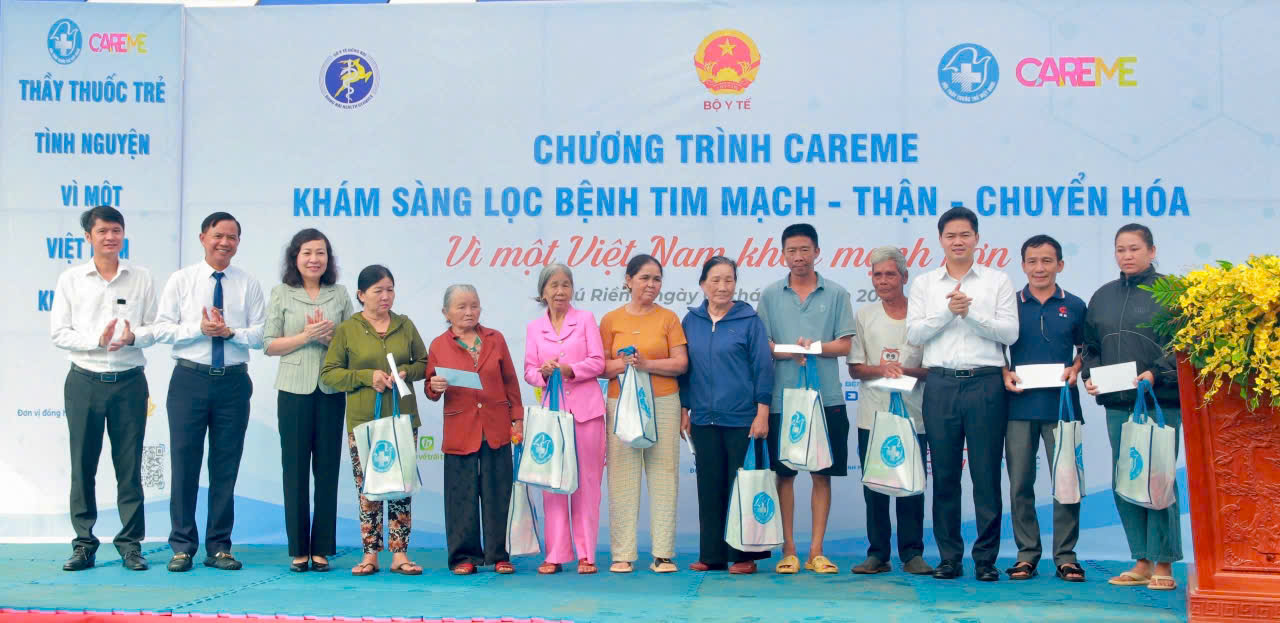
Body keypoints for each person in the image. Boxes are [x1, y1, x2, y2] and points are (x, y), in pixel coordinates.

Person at [906, 206, 1017, 582]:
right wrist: (947, 312)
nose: (958, 241)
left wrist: (970, 314)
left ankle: (986, 560)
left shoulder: (996, 281)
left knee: (986, 475)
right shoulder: (925, 284)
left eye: (965, 234)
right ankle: (949, 558)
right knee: (945, 476)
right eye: (951, 235)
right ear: (940, 240)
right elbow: (914, 334)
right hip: (940, 384)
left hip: (986, 383)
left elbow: (1010, 333)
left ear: (976, 238)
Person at [153, 212, 265, 572]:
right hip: (190, 379)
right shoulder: (182, 280)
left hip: (233, 382)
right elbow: (162, 329)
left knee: (225, 466)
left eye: (232, 237)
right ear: (203, 238)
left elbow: (261, 335)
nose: (225, 243)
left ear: (238, 243)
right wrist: (198, 329)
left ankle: (219, 546)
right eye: (218, 235)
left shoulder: (248, 283)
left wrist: (230, 333)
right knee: (184, 463)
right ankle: (182, 546)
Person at [50, 206, 158, 572]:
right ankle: (84, 544)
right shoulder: (71, 279)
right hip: (84, 380)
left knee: (129, 466)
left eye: (116, 230)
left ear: (123, 234)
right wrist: (96, 341)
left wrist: (134, 336)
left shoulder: (141, 277)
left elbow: (155, 327)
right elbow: (59, 333)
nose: (110, 237)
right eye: (102, 231)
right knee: (83, 465)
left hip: (129, 381)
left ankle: (131, 546)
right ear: (88, 237)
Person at [1083, 223, 1182, 592]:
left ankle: (1164, 563)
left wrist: (1156, 373)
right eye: (1121, 249)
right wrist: (1090, 376)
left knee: (1158, 480)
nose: (1127, 256)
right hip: (1118, 405)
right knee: (1126, 479)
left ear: (1152, 251)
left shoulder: (1172, 293)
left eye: (1135, 249)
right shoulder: (1102, 297)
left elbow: (1184, 345)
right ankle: (1141, 560)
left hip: (1160, 403)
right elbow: (1089, 347)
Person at [756, 223, 855, 575]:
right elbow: (763, 346)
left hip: (826, 399)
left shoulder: (837, 293)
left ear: (817, 252)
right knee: (784, 476)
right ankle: (789, 550)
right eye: (792, 251)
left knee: (821, 476)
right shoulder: (770, 295)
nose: (798, 257)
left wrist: (813, 348)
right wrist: (789, 351)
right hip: (782, 399)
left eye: (804, 250)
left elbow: (845, 344)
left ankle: (816, 551)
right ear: (783, 254)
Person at [321, 265, 427, 577]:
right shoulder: (348, 330)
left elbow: (424, 363)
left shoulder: (405, 325)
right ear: (361, 294)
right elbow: (330, 374)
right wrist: (367, 377)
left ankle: (400, 554)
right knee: (368, 489)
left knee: (401, 487)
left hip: (402, 419)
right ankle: (370, 554)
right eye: (378, 290)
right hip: (364, 421)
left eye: (390, 290)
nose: (385, 296)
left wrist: (406, 372)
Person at [263, 229, 352, 573]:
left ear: (329, 258)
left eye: (321, 253)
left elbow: (351, 346)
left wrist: (330, 339)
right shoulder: (282, 293)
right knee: (295, 470)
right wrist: (305, 336)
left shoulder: (339, 294)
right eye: (307, 253)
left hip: (331, 389)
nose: (314, 259)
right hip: (293, 391)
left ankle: (322, 548)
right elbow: (269, 344)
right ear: (295, 258)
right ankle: (299, 549)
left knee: (327, 471)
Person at [679, 256, 773, 574]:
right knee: (709, 487)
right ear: (702, 284)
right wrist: (684, 408)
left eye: (729, 280)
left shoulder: (749, 321)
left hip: (742, 419)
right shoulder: (691, 321)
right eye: (715, 280)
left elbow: (763, 367)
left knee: (742, 488)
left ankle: (744, 556)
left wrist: (762, 412)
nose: (722, 286)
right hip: (703, 419)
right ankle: (712, 555)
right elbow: (686, 371)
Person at [1001, 235, 1087, 582]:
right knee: (1020, 484)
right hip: (1018, 407)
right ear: (1023, 265)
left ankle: (1066, 556)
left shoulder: (1076, 305)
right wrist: (1003, 372)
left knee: (1066, 482)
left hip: (1062, 407)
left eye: (1047, 261)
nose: (1040, 268)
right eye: (1033, 261)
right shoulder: (1009, 304)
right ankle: (1026, 555)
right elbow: (994, 349)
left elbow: (1088, 349)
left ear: (1060, 265)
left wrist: (1077, 367)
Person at [424, 284, 524, 575]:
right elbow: (430, 388)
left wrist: (517, 417)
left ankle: (500, 554)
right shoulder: (439, 345)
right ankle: (463, 557)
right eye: (461, 307)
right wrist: (434, 386)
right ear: (446, 312)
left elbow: (510, 382)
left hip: (496, 425)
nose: (469, 312)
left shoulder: (495, 339)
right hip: (460, 428)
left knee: (499, 492)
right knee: (460, 495)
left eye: (474, 305)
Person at [599, 255, 689, 574]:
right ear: (628, 280)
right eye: (644, 278)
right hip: (621, 402)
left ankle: (663, 553)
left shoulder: (669, 318)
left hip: (663, 402)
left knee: (664, 474)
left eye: (657, 279)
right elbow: (600, 366)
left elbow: (681, 363)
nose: (651, 285)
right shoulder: (610, 320)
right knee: (622, 476)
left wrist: (647, 364)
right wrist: (624, 364)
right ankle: (622, 553)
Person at [846, 246, 932, 576]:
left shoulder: (921, 317)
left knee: (911, 485)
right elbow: (855, 368)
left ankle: (912, 554)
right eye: (877, 274)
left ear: (904, 277)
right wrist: (881, 369)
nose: (883, 281)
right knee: (875, 489)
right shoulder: (865, 316)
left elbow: (931, 369)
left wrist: (905, 371)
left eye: (890, 274)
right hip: (873, 416)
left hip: (913, 416)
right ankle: (877, 554)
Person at [522, 264, 606, 574]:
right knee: (552, 483)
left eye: (566, 285)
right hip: (552, 416)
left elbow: (598, 362)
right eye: (554, 285)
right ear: (543, 292)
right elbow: (529, 371)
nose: (560, 291)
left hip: (587, 413)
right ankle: (555, 553)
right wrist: (543, 373)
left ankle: (586, 554)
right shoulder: (534, 328)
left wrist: (571, 370)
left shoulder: (585, 320)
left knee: (587, 484)